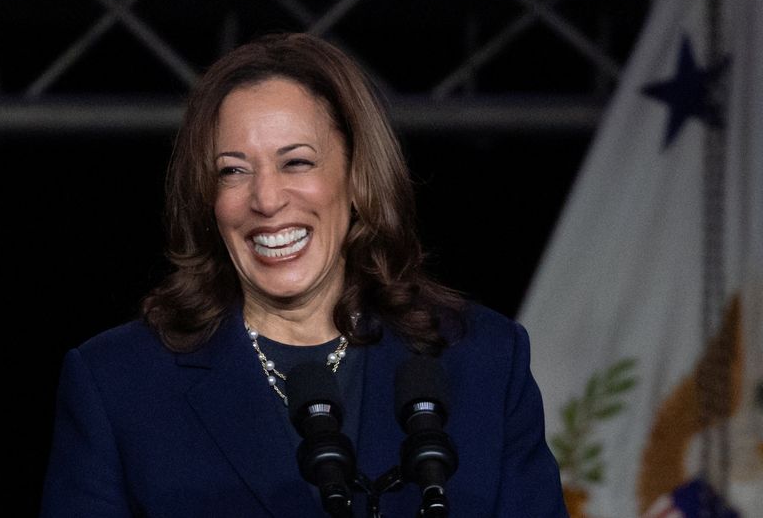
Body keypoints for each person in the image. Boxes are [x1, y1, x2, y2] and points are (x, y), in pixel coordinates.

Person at [40, 32, 568, 517]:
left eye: (296, 162)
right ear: (207, 198)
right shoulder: (118, 385)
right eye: (233, 170)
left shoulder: (483, 361)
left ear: (358, 174)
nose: (266, 199)